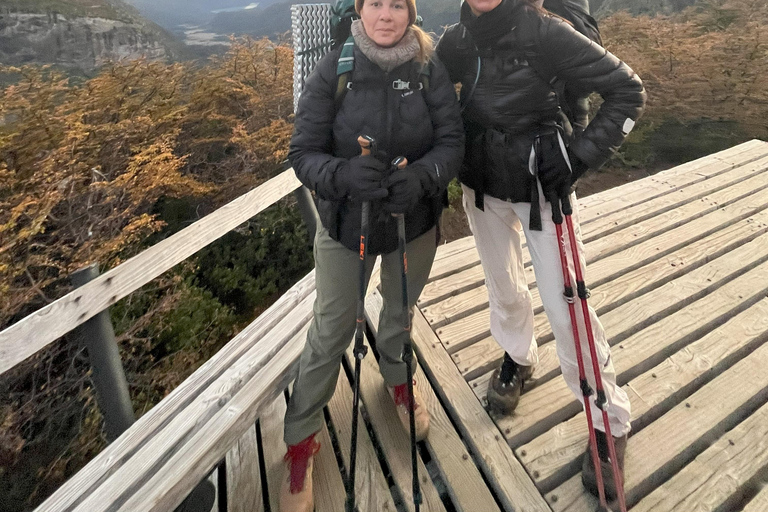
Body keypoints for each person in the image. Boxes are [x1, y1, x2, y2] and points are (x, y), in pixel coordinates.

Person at [435, 0, 646, 502]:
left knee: (567, 305)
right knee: (502, 286)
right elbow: (427, 97)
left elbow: (628, 91)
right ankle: (518, 354)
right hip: (482, 186)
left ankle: (607, 420)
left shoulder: (546, 31)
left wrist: (578, 159)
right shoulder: (457, 39)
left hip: (541, 189)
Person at [281, 0, 464, 508]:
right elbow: (303, 152)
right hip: (346, 224)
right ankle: (299, 442)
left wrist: (424, 177)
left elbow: (452, 142)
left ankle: (398, 379)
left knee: (401, 309)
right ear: (359, 11)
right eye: (375, 4)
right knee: (333, 327)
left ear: (411, 12)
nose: (386, 15)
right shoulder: (336, 67)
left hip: (415, 219)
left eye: (396, 5)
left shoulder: (428, 65)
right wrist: (342, 177)